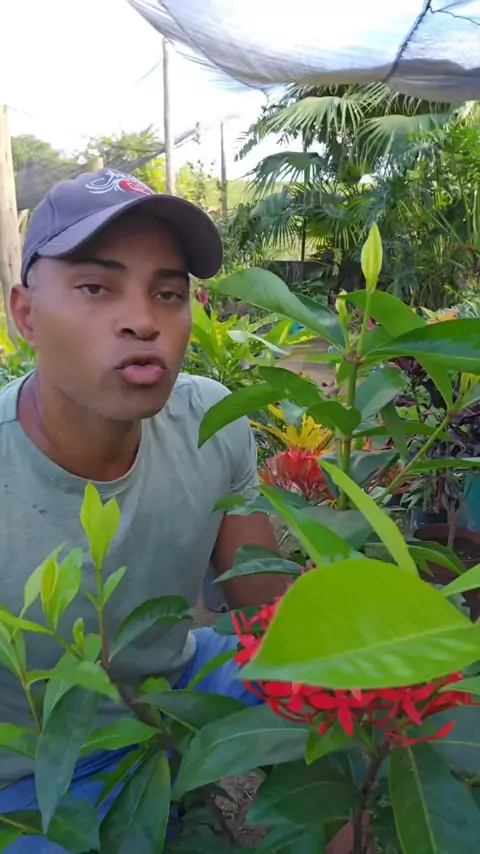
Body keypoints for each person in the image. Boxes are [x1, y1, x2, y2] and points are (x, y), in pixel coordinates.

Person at [0, 168, 288, 852]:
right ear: (26, 315)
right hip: (36, 765)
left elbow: (273, 622)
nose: (144, 320)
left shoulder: (211, 421)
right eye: (97, 288)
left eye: (168, 293)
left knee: (349, 690)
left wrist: (335, 796)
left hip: (176, 677)